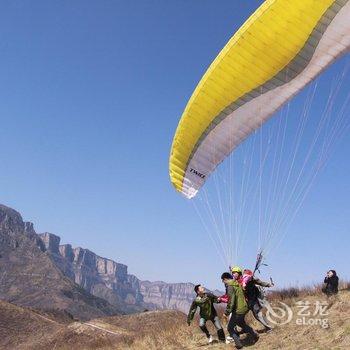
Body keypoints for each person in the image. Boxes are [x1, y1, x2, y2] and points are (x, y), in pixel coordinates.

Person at [221, 272, 258, 349]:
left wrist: (226, 313)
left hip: (238, 310)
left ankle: (239, 344)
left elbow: (231, 301)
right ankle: (255, 334)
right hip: (244, 307)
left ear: (225, 279)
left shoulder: (230, 286)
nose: (223, 283)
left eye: (223, 281)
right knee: (241, 323)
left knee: (230, 328)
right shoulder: (237, 283)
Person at [233, 266, 274, 333]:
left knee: (257, 315)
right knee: (238, 316)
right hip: (244, 303)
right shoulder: (236, 282)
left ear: (239, 273)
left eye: (235, 273)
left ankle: (269, 327)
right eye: (232, 273)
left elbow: (260, 282)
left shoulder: (250, 279)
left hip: (252, 300)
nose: (233, 274)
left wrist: (269, 285)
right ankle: (244, 329)